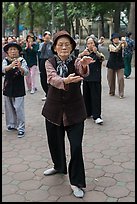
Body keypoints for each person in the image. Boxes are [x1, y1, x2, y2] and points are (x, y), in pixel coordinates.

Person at [41, 30, 95, 198]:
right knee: (55, 143)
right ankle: (59, 166)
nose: (64, 47)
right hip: (53, 110)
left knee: (76, 146)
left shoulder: (76, 61)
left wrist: (85, 64)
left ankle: (77, 182)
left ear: (72, 47)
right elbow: (52, 78)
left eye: (67, 44)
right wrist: (65, 81)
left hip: (75, 111)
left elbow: (82, 69)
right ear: (55, 48)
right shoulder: (49, 62)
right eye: (60, 44)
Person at [2, 42, 28, 137]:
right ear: (7, 52)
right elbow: (3, 69)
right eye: (11, 50)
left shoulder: (22, 60)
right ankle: (11, 125)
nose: (13, 51)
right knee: (9, 108)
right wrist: (11, 65)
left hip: (19, 88)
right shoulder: (5, 60)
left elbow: (26, 72)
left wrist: (20, 67)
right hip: (7, 87)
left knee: (18, 108)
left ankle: (21, 128)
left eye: (15, 49)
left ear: (18, 51)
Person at [78, 36, 105, 124]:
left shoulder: (98, 53)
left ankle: (97, 116)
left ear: (95, 44)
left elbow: (102, 58)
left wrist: (96, 51)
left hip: (95, 78)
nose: (90, 45)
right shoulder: (85, 53)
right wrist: (82, 54)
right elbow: (77, 60)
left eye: (92, 43)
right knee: (86, 96)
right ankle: (87, 113)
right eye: (88, 43)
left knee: (96, 97)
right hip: (86, 78)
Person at [106, 33, 127, 99]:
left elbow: (125, 46)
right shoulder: (110, 45)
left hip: (120, 63)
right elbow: (115, 50)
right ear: (112, 40)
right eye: (115, 39)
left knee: (121, 79)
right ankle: (112, 91)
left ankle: (121, 93)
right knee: (111, 79)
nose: (116, 40)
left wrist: (124, 41)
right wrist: (120, 44)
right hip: (111, 63)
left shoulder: (121, 44)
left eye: (117, 38)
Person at [38, 31, 54, 101]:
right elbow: (41, 52)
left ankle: (51, 94)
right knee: (43, 78)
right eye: (46, 36)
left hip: (50, 61)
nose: (47, 38)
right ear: (43, 37)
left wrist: (50, 43)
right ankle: (47, 93)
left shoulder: (52, 44)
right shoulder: (41, 44)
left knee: (51, 77)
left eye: (49, 36)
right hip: (42, 61)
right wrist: (45, 43)